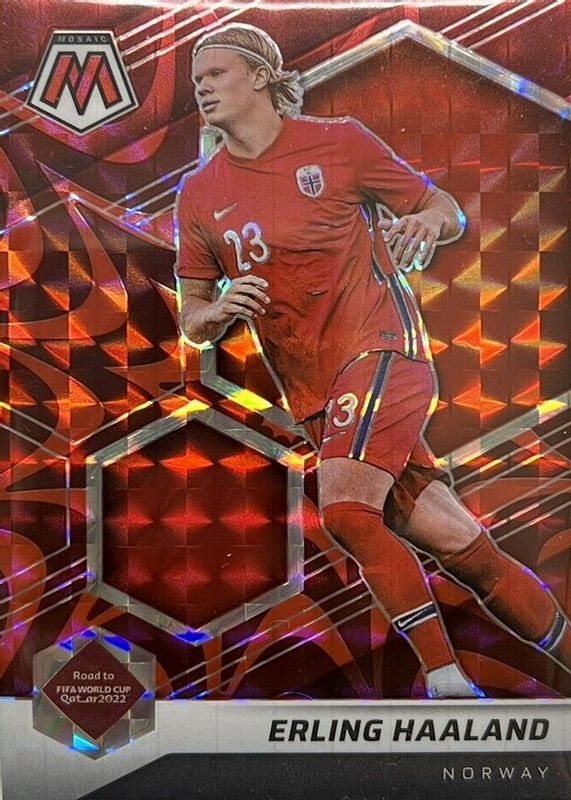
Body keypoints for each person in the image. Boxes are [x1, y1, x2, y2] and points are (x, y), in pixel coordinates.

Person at [175, 22, 571, 698]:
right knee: (456, 543)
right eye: (195, 80)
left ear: (261, 75)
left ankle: (445, 682)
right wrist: (214, 314)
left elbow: (442, 208)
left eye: (215, 74)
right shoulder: (200, 193)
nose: (202, 88)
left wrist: (426, 221)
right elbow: (192, 318)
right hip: (313, 391)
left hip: (382, 347)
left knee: (346, 512)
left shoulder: (339, 143)